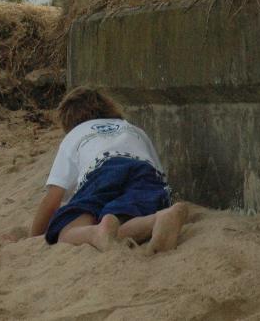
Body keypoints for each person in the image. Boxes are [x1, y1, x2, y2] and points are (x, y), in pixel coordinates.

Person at [29, 86, 187, 252]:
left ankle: (93, 233)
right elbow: (159, 174)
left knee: (68, 231)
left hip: (101, 170)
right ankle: (158, 219)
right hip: (143, 169)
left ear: (68, 121)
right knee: (124, 220)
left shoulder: (74, 135)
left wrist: (33, 238)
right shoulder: (133, 129)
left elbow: (52, 200)